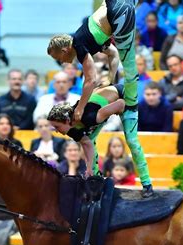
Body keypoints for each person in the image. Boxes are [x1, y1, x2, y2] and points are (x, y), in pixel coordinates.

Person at [48, 0, 153, 197]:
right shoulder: (87, 39)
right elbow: (112, 54)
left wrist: (82, 107)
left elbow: (92, 80)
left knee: (131, 138)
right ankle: (94, 179)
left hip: (124, 96)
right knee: (93, 138)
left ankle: (147, 184)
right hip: (113, 10)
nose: (62, 62)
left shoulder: (78, 46)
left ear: (64, 50)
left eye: (59, 58)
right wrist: (112, 80)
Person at [47, 84, 154, 197]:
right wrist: (88, 168)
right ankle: (97, 183)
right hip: (99, 101)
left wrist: (117, 112)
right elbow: (86, 143)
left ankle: (147, 184)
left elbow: (121, 104)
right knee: (90, 139)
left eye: (57, 127)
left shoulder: (90, 117)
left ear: (66, 121)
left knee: (132, 141)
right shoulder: (70, 127)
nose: (57, 131)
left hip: (122, 97)